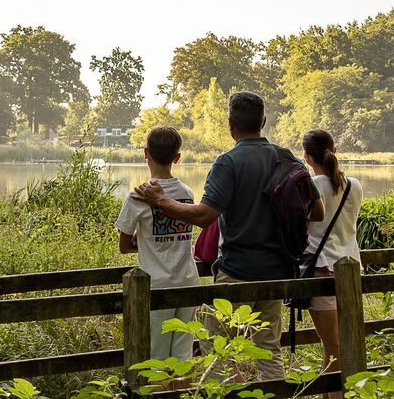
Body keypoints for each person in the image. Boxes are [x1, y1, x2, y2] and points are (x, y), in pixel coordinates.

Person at [132, 91, 320, 380]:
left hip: (238, 272)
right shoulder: (287, 159)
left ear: (230, 124)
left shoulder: (228, 162)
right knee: (269, 349)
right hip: (277, 271)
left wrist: (161, 200)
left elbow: (204, 216)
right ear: (263, 122)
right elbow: (317, 211)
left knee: (215, 346)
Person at [116, 126, 200, 362]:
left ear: (146, 153)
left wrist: (145, 242)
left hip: (158, 284)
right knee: (183, 356)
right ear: (177, 157)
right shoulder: (186, 192)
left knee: (157, 357)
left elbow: (123, 246)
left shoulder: (137, 196)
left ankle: (160, 388)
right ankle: (182, 387)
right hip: (188, 281)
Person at [300, 128, 363, 370]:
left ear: (307, 157)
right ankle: (349, 391)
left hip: (322, 268)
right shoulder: (354, 185)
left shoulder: (312, 185)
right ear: (334, 150)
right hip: (351, 268)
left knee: (332, 346)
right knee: (348, 341)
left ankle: (335, 395)